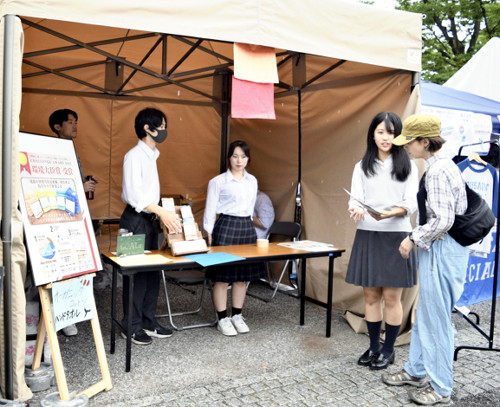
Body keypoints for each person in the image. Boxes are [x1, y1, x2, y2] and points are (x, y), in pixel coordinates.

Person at [382, 114, 469, 406]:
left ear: (424, 142)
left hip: (441, 249)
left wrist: (412, 238)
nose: (405, 147)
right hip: (443, 249)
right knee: (427, 315)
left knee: (437, 321)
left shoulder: (436, 172)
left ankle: (442, 388)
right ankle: (416, 370)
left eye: (409, 141)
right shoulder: (443, 166)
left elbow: (443, 219)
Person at [345, 112, 418, 371]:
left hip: (398, 234)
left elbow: (411, 203)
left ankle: (389, 350)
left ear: (398, 136)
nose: (385, 137)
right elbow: (355, 198)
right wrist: (355, 209)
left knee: (391, 297)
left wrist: (388, 213)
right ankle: (374, 346)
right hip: (367, 233)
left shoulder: (408, 164)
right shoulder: (361, 166)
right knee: (371, 295)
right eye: (380, 132)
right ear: (372, 135)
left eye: (390, 132)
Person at [119, 107, 182, 345]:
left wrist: (160, 212)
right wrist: (161, 211)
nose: (165, 131)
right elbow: (134, 195)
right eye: (162, 126)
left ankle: (147, 321)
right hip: (134, 220)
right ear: (148, 128)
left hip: (149, 220)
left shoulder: (151, 156)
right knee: (134, 275)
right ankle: (131, 326)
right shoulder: (134, 155)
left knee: (152, 273)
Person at [203, 140, 266, 336]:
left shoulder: (252, 180)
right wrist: (209, 233)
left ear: (248, 159)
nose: (239, 160)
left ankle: (237, 315)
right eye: (235, 156)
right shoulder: (218, 181)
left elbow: (250, 208)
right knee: (222, 278)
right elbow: (210, 209)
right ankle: (222, 318)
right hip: (225, 227)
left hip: (246, 227)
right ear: (229, 157)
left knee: (241, 278)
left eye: (243, 156)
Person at [49, 108, 97, 337]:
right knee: (60, 266)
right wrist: (81, 187)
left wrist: (82, 184)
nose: (75, 126)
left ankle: (69, 313)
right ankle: (60, 317)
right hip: (57, 218)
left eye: (76, 122)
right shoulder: (50, 149)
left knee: (72, 266)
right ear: (57, 126)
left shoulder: (72, 151)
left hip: (73, 217)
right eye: (70, 122)